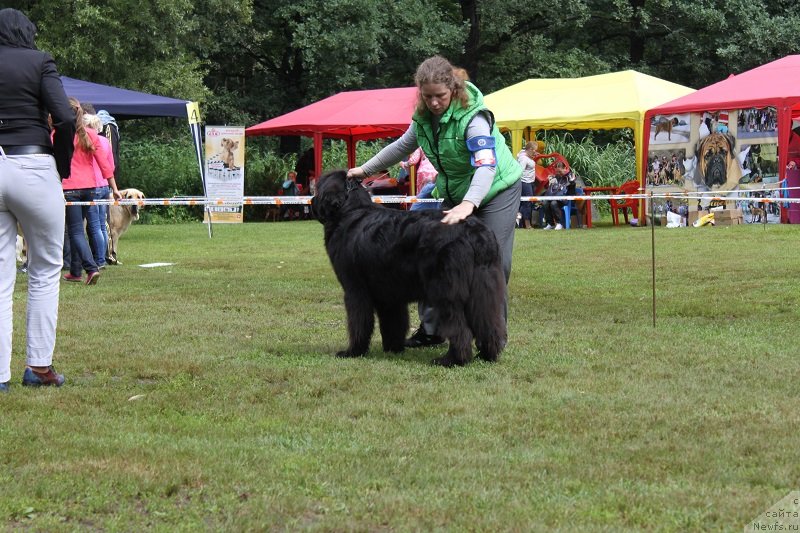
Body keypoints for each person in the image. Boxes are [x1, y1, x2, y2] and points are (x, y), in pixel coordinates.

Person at [347, 55, 522, 348]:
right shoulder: (424, 119)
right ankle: (432, 331)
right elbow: (402, 146)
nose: (434, 103)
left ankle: (492, 337)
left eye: (439, 96)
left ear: (453, 90)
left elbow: (486, 166)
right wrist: (365, 169)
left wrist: (469, 204)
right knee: (432, 255)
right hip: (456, 190)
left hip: (495, 191)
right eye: (427, 97)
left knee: (493, 260)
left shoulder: (474, 118)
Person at [0, 8, 76, 389]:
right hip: (32, 164)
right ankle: (39, 366)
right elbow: (64, 117)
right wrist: (61, 163)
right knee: (45, 268)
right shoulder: (39, 61)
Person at [62, 98, 120, 285]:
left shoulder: (59, 134)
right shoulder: (91, 135)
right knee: (80, 229)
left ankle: (91, 268)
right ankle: (75, 271)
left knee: (75, 232)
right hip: (90, 189)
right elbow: (105, 165)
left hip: (70, 188)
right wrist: (115, 188)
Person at [85, 114, 115, 268]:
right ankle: (103, 256)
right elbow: (111, 166)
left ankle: (99, 260)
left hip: (93, 185)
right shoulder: (105, 141)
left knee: (94, 226)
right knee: (102, 225)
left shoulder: (87, 141)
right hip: (105, 184)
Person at [401, 147, 439, 211]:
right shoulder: (442, 145)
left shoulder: (422, 145)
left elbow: (413, 160)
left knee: (421, 197)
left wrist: (404, 164)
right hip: (436, 172)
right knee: (437, 196)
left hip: (423, 173)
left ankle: (419, 215)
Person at [542, 161, 576, 230]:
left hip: (565, 198)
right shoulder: (555, 177)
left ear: (565, 168)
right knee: (545, 202)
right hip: (554, 197)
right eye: (557, 172)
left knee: (553, 203)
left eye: (560, 171)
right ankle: (550, 223)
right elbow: (549, 189)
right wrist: (548, 182)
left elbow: (572, 189)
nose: (558, 173)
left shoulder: (570, 176)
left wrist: (572, 182)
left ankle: (559, 223)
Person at [516, 141, 539, 228]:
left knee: (526, 203)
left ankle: (521, 224)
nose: (535, 152)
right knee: (527, 203)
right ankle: (527, 224)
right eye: (534, 150)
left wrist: (533, 156)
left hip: (530, 182)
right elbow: (520, 171)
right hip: (525, 182)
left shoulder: (527, 155)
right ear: (530, 149)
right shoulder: (523, 159)